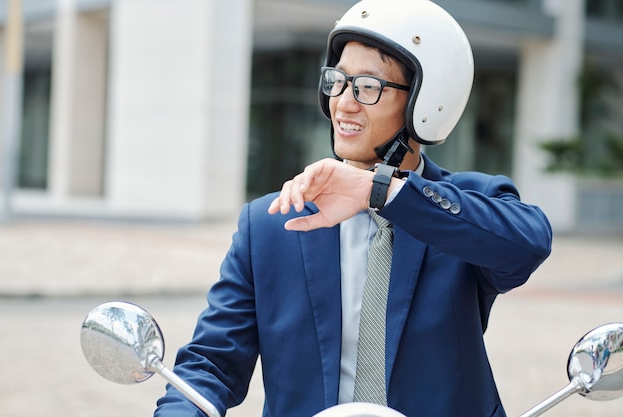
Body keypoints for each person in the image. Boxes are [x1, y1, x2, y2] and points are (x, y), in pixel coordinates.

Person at [155, 0, 552, 416]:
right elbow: (210, 364)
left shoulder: (463, 203)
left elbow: (528, 244)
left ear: (425, 101)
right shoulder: (270, 222)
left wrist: (379, 191)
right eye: (337, 81)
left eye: (368, 86)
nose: (343, 103)